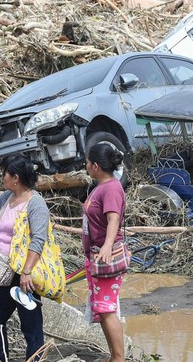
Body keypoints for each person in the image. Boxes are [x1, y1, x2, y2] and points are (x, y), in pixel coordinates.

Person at [0, 155, 49, 362]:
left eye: (4, 174)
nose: (2, 178)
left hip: (24, 274)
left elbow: (39, 239)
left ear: (15, 178)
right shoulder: (7, 197)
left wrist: (27, 271)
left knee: (31, 325)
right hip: (5, 272)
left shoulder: (35, 203)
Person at [83, 143, 128, 362]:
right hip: (96, 256)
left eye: (88, 162)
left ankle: (119, 358)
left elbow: (113, 219)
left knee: (106, 308)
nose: (86, 165)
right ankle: (114, 356)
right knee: (101, 309)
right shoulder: (100, 186)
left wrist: (108, 246)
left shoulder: (110, 188)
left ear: (96, 165)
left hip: (106, 257)